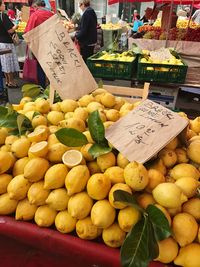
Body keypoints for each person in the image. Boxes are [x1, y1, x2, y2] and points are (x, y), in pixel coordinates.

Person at [25, 0, 53, 88]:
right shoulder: (51, 15)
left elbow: (27, 33)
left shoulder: (35, 15)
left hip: (39, 46)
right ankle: (52, 86)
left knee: (40, 67)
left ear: (37, 6)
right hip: (52, 44)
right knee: (52, 66)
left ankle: (42, 86)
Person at [0, 0, 20, 88]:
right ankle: (11, 82)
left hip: (1, 42)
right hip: (7, 42)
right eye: (3, 4)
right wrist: (16, 25)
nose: (4, 5)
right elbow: (10, 30)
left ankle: (8, 81)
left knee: (4, 62)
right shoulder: (3, 15)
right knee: (9, 63)